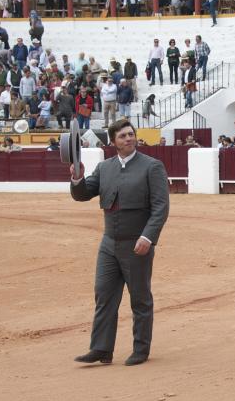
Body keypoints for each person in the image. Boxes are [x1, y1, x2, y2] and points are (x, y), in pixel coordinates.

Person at [71, 119, 169, 367]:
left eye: (131, 134)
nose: (129, 138)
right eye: (123, 136)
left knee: (140, 298)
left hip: (137, 243)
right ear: (113, 142)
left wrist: (148, 237)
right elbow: (83, 194)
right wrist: (76, 177)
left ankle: (141, 349)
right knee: (104, 295)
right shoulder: (105, 168)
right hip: (109, 243)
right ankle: (101, 348)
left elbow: (160, 207)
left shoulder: (152, 166)